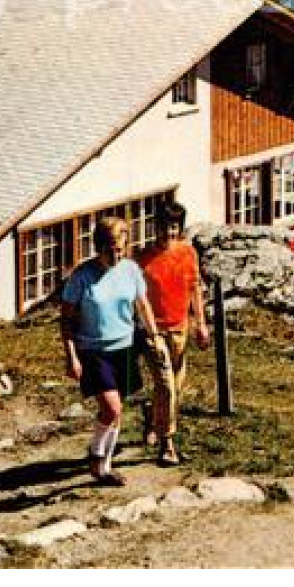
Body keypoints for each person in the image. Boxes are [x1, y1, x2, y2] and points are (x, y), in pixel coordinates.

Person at [61, 216, 160, 486]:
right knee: (112, 408)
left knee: (117, 411)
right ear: (98, 247)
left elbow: (142, 306)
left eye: (120, 249)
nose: (115, 256)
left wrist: (155, 337)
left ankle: (104, 467)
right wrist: (71, 356)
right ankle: (95, 454)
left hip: (123, 346)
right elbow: (66, 320)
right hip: (93, 349)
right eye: (109, 250)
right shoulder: (82, 277)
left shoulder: (131, 270)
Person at [138, 202, 209, 467]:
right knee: (167, 384)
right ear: (155, 227)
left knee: (173, 388)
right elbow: (136, 297)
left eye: (174, 228)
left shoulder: (188, 254)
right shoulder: (142, 259)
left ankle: (152, 414)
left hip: (180, 328)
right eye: (165, 227)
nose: (169, 233)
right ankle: (168, 443)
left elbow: (195, 289)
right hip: (153, 332)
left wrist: (201, 324)